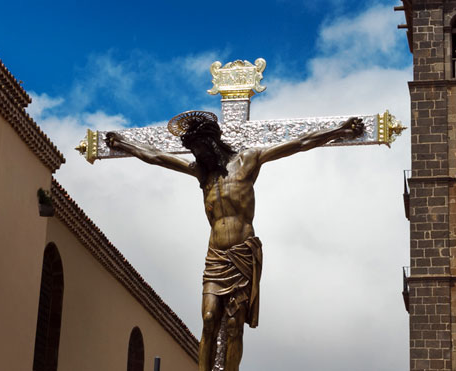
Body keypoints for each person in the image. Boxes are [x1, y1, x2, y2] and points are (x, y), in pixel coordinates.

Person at [105, 111, 364, 371]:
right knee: (208, 319)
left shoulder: (248, 160)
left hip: (241, 255)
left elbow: (300, 143)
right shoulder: (202, 174)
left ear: (213, 143)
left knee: (233, 326)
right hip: (215, 256)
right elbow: (155, 157)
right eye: (194, 152)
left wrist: (340, 130)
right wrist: (123, 144)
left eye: (201, 149)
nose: (198, 156)